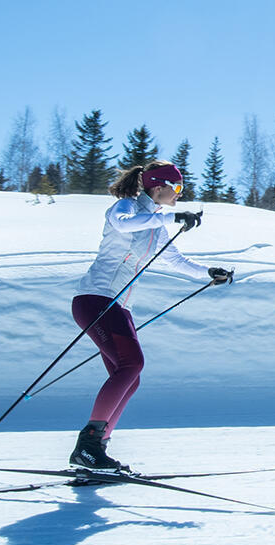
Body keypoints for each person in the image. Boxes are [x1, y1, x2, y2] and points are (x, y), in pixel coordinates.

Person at [69, 160, 233, 471]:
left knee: (131, 377)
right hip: (96, 299)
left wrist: (206, 273)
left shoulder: (154, 222)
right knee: (132, 365)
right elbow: (124, 224)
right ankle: (87, 446)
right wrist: (172, 216)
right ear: (158, 187)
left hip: (118, 306)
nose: (179, 196)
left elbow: (174, 259)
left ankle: (95, 451)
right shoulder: (126, 207)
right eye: (177, 189)